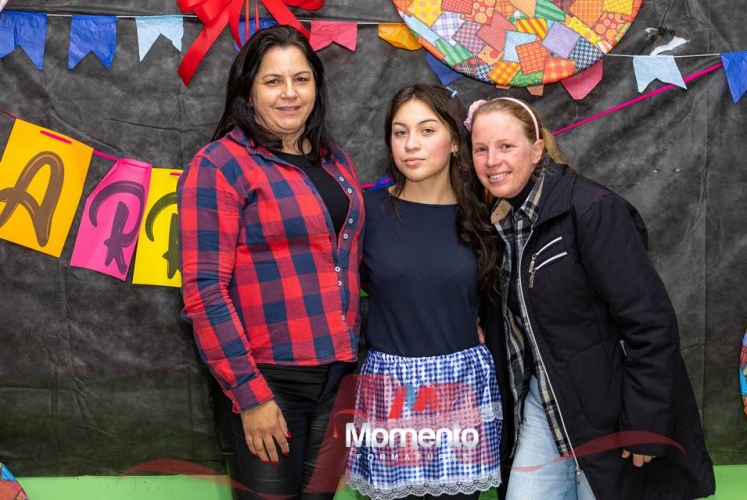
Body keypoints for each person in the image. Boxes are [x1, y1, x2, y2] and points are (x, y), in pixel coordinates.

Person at [466, 97, 716, 500]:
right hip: (545, 404)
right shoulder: (499, 223)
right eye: (481, 148)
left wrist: (646, 422)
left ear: (536, 149)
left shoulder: (592, 210)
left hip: (611, 412)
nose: (492, 160)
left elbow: (650, 323)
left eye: (506, 146)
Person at [177, 25, 364, 500]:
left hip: (338, 373)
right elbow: (204, 292)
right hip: (267, 377)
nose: (289, 93)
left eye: (301, 79)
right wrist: (249, 393)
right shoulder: (219, 165)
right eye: (273, 81)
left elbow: (350, 261)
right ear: (248, 90)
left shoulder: (335, 162)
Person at [345, 84, 503, 499]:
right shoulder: (366, 212)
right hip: (391, 391)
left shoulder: (485, 217)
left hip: (460, 388)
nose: (411, 144)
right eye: (400, 132)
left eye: (427, 130)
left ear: (456, 142)